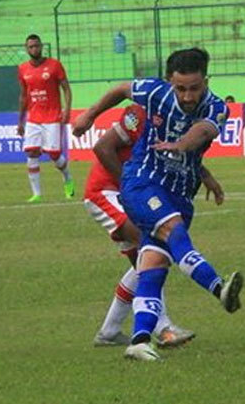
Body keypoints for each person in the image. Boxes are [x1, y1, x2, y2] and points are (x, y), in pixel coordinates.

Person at [72, 48, 244, 362]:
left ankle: (137, 339)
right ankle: (217, 287)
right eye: (181, 88)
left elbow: (200, 132)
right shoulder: (149, 99)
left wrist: (189, 157)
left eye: (195, 88)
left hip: (177, 192)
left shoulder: (217, 107)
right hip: (138, 184)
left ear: (206, 82)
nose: (188, 96)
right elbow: (118, 102)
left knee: (152, 263)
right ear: (168, 83)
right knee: (171, 231)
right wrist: (89, 115)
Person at [86, 102, 221, 348]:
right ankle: (163, 327)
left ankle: (110, 331)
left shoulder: (176, 117)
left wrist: (206, 177)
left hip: (133, 191)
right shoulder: (139, 113)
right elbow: (102, 147)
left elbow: (174, 154)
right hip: (107, 192)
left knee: (146, 258)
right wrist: (131, 190)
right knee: (155, 245)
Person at [17, 34, 75, 201]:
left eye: (36, 46)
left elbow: (66, 88)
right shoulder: (22, 69)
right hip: (33, 118)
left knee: (55, 155)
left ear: (41, 46)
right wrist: (20, 121)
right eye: (31, 47)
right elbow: (23, 96)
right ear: (27, 49)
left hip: (52, 117)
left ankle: (67, 178)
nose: (34, 49)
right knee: (31, 154)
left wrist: (67, 110)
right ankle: (36, 194)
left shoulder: (54, 65)